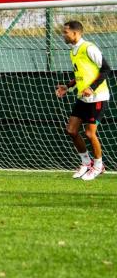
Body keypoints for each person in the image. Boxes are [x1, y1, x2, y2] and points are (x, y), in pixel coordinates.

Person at [56, 20, 111, 181]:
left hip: (98, 97)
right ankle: (86, 163)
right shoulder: (73, 51)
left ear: (76, 33)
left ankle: (99, 166)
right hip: (83, 97)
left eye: (65, 32)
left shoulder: (89, 48)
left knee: (89, 133)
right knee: (71, 130)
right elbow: (80, 74)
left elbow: (106, 68)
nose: (63, 34)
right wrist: (68, 86)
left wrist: (92, 88)